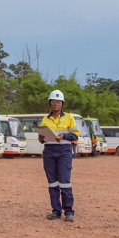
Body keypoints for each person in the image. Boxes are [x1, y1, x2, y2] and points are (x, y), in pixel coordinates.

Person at [38, 90, 80, 222]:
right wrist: (41, 137)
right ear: (50, 103)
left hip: (64, 151)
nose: (56, 104)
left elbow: (75, 135)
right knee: (52, 183)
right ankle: (56, 211)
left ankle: (69, 212)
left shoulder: (69, 117)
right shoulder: (45, 119)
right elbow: (41, 139)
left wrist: (65, 135)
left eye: (59, 102)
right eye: (53, 102)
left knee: (64, 182)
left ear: (62, 104)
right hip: (49, 151)